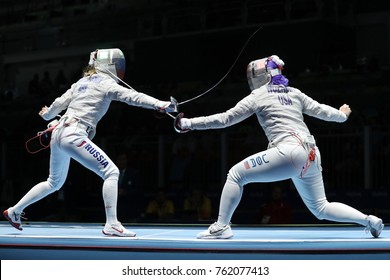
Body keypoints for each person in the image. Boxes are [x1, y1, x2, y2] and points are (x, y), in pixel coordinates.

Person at [175, 55, 384, 239]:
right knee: (321, 207)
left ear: (261, 76)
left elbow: (225, 119)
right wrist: (342, 114)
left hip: (289, 153)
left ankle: (221, 227)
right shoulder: (294, 93)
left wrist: (189, 123)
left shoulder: (259, 95)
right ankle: (370, 221)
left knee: (235, 176)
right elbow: (326, 113)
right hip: (311, 153)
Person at [3, 48, 177, 237]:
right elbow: (133, 97)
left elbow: (52, 111)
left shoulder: (80, 83)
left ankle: (14, 210)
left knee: (53, 182)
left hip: (58, 133)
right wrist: (161, 104)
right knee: (111, 172)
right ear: (109, 65)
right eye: (117, 65)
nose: (119, 69)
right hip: (74, 135)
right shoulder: (106, 83)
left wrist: (47, 113)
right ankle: (112, 224)